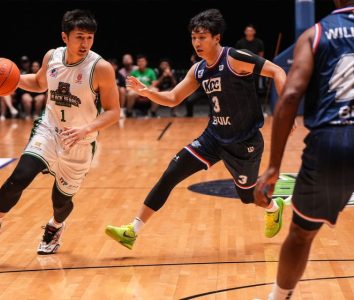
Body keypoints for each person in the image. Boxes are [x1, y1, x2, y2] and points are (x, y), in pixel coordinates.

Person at [105, 8, 287, 250]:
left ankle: (274, 208)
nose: (197, 42)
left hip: (244, 143)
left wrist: (286, 109)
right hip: (213, 138)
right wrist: (146, 91)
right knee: (171, 173)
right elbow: (172, 98)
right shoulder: (199, 69)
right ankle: (132, 230)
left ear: (216, 38)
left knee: (248, 197)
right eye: (193, 37)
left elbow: (277, 71)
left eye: (202, 37)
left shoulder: (235, 58)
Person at [0, 9, 120, 254]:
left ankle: (56, 226)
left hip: (80, 141)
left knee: (61, 201)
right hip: (50, 129)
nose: (85, 43)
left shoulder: (100, 68)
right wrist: (9, 79)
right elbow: (38, 83)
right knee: (19, 177)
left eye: (90, 38)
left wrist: (86, 129)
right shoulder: (52, 57)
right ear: (65, 37)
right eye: (80, 37)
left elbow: (113, 112)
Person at [254, 1, 354, 299]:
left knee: (301, 233)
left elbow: (291, 95)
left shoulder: (315, 34)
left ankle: (279, 296)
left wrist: (273, 166)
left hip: (332, 140)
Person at [235, 24, 266, 101]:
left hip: (255, 67)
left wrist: (259, 66)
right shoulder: (240, 43)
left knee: (254, 87)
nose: (249, 32)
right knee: (242, 87)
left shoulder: (259, 42)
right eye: (248, 30)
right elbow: (236, 56)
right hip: (242, 68)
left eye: (251, 30)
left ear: (254, 32)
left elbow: (261, 55)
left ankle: (255, 104)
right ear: (245, 32)